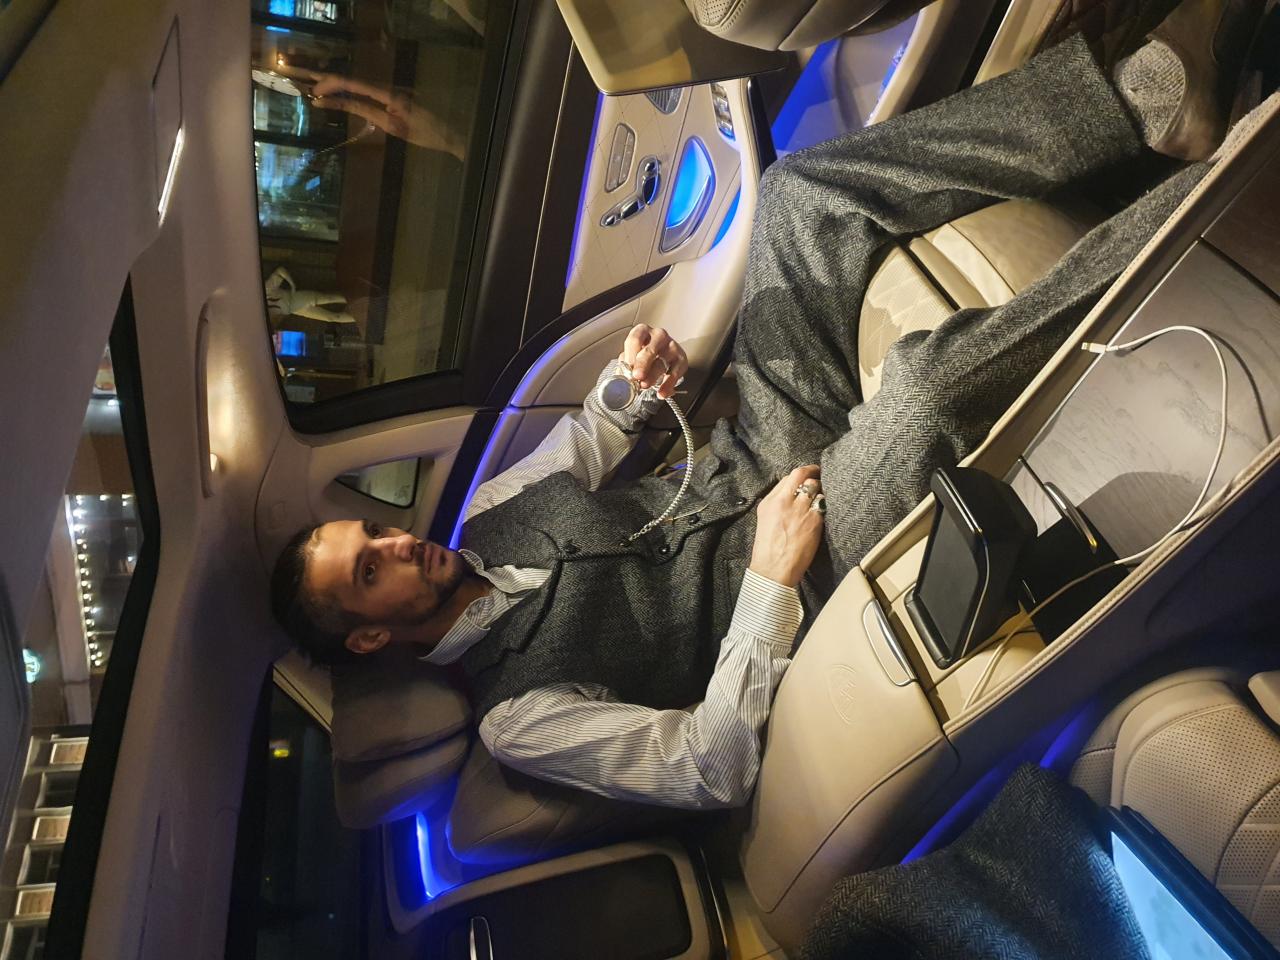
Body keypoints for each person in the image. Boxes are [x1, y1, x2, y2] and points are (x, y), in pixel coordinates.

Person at [271, 0, 1265, 809]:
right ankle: (1226, 195)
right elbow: (708, 767)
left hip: (757, 447)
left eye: (374, 532)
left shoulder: (488, 517)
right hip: (808, 562)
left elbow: (595, 434)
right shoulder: (517, 721)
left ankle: (1143, 99)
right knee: (919, 391)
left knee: (796, 197)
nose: (398, 544)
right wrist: (768, 582)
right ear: (370, 637)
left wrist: (635, 380)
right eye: (370, 569)